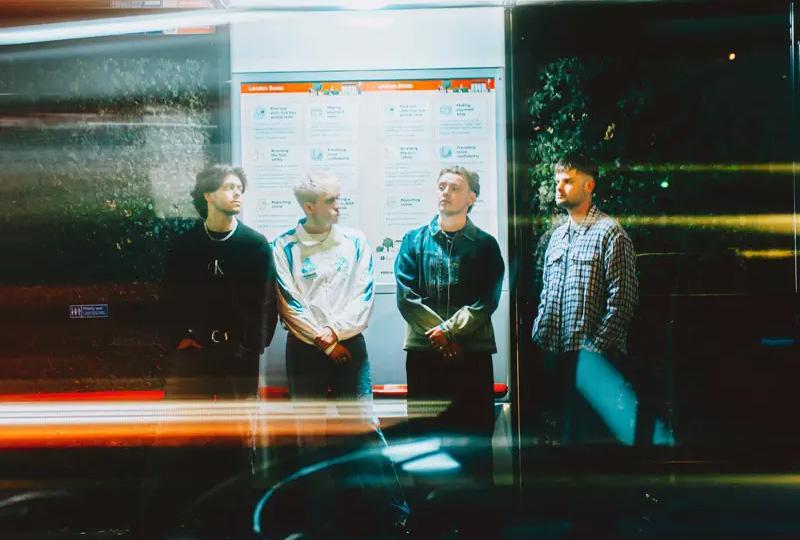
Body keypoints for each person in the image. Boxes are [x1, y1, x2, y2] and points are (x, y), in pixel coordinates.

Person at [139, 164, 277, 538]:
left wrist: (252, 345)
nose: (237, 193)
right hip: (194, 354)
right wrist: (180, 338)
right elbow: (169, 297)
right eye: (229, 187)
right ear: (208, 195)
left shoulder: (255, 244)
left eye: (240, 187)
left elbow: (267, 303)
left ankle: (239, 523)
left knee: (238, 437)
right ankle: (156, 522)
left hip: (237, 355)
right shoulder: (187, 244)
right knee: (176, 434)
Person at [271, 170, 409, 536]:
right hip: (306, 351)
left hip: (351, 347)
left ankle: (394, 513)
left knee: (364, 426)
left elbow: (363, 295)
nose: (338, 206)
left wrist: (335, 335)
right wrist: (324, 341)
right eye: (331, 200)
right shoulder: (282, 245)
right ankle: (320, 519)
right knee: (309, 434)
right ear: (308, 206)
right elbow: (288, 304)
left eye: (338, 198)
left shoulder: (356, 240)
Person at [395, 166, 505, 483]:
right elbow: (406, 298)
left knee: (474, 439)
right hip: (424, 356)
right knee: (424, 439)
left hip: (471, 355)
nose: (445, 192)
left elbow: (488, 299)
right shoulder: (413, 241)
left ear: (471, 198)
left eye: (454, 188)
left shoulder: (485, 245)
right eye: (441, 186)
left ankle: (476, 522)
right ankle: (428, 520)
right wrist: (441, 335)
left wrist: (450, 331)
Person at [530, 158, 638, 444]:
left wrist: (594, 351)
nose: (559, 188)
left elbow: (623, 301)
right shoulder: (555, 238)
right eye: (557, 182)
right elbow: (546, 294)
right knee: (561, 442)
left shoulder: (610, 233)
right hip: (555, 357)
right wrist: (540, 337)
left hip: (594, 361)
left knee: (590, 443)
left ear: (589, 185)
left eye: (568, 181)